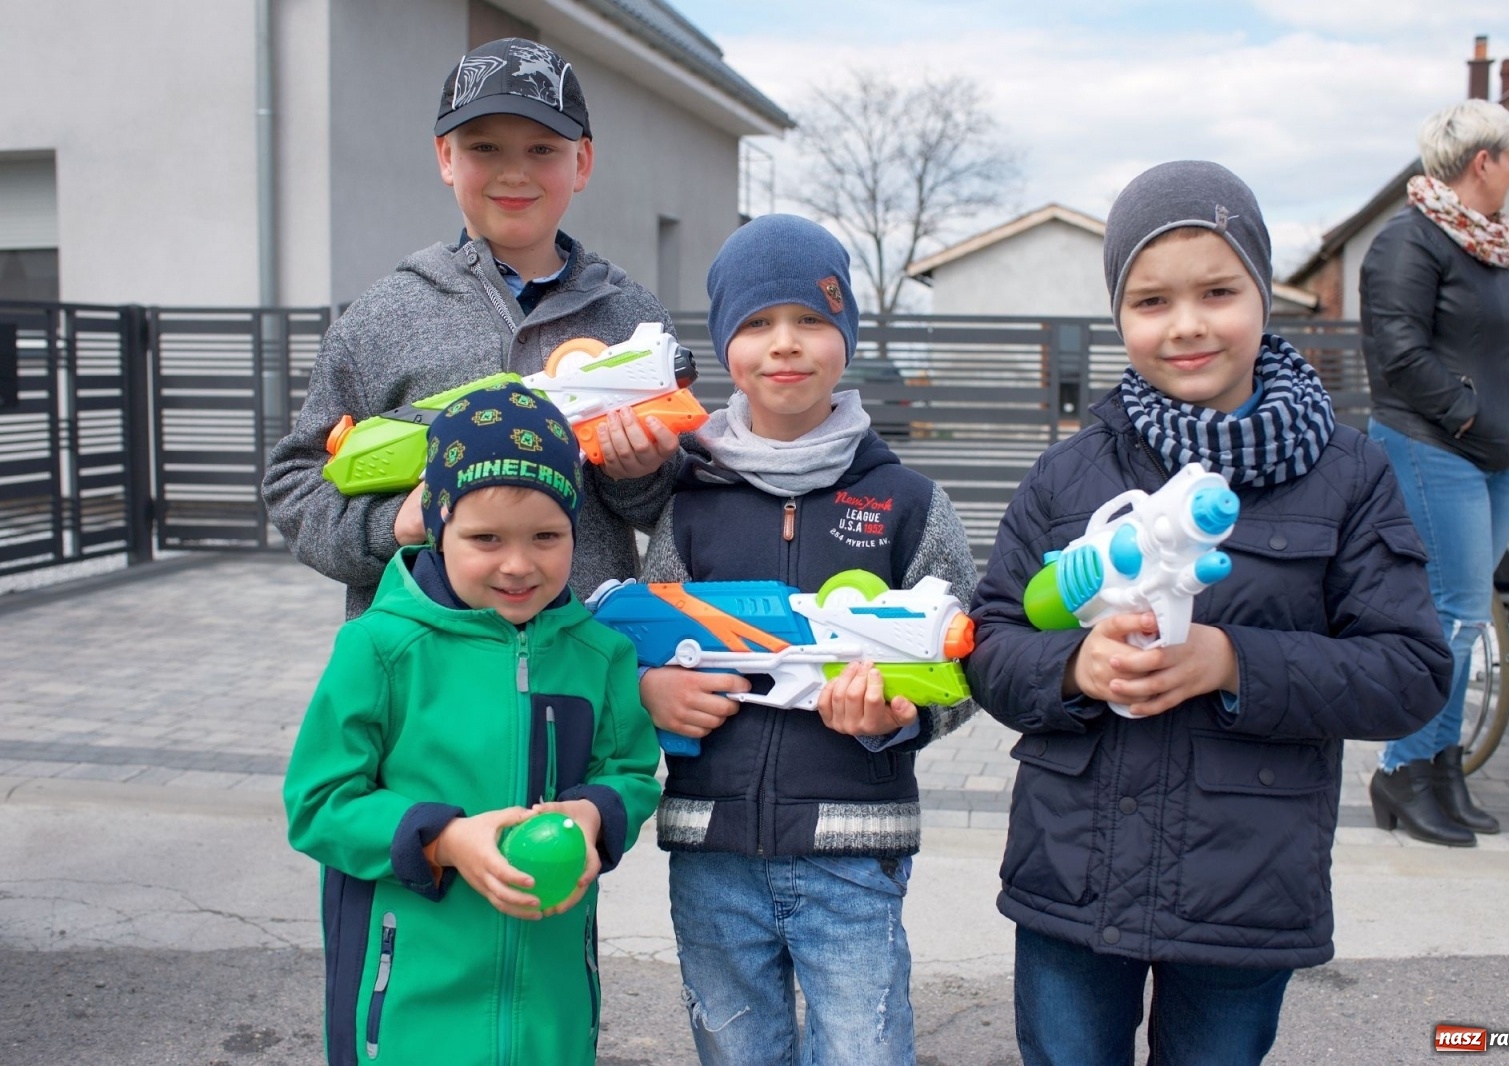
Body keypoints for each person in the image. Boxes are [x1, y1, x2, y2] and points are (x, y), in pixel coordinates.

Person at [965, 161, 1452, 1066]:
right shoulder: (1069, 474)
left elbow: (1411, 671)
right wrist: (1073, 668)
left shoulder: (1348, 474)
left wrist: (1233, 662)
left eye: (1218, 292)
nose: (1186, 324)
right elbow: (988, 642)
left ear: (1265, 295)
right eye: (1151, 301)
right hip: (1072, 876)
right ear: (1119, 316)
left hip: (1247, 887)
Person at [637, 214, 979, 1065]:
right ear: (724, 343)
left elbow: (968, 660)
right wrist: (648, 695)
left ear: (847, 336)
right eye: (756, 322)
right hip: (710, 850)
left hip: (854, 855)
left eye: (811, 320)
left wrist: (901, 717)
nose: (784, 343)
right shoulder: (688, 503)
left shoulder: (909, 502)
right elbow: (640, 640)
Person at [283, 382, 662, 1066]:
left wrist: (593, 815)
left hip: (550, 1007)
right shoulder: (380, 647)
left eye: (546, 536)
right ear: (436, 526)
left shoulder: (599, 654)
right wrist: (446, 840)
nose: (518, 564)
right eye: (485, 538)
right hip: (405, 1010)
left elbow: (630, 773)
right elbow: (318, 803)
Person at [262, 37, 680, 620]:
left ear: (582, 162)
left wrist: (639, 477)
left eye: (542, 148)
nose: (514, 172)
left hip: (588, 656)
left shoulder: (633, 319)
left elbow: (680, 507)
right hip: (423, 664)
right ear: (446, 157)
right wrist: (396, 523)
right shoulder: (380, 317)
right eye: (484, 147)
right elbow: (295, 485)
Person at [1360, 99, 1509, 846]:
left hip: (1496, 456)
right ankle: (1401, 769)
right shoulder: (1408, 241)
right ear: (1482, 162)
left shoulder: (1490, 247)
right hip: (1436, 446)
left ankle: (1442, 768)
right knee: (1452, 616)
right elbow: (1397, 352)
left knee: (1466, 621)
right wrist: (1468, 416)